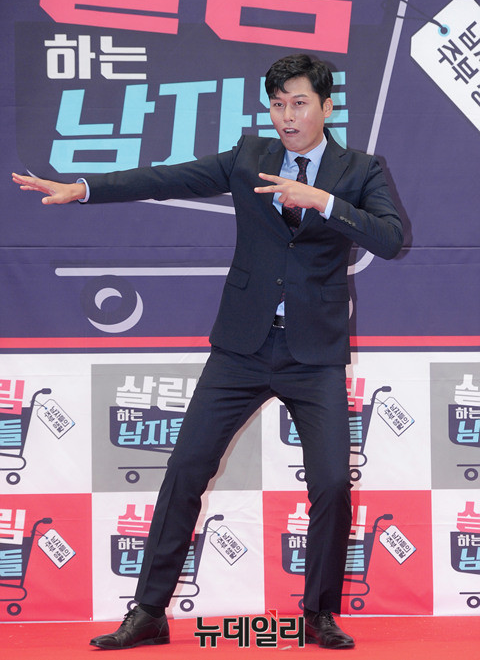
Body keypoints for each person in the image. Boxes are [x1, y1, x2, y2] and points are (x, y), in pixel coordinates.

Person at [12, 54, 403, 650]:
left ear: (327, 107)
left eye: (300, 103)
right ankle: (148, 611)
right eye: (278, 104)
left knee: (330, 484)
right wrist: (84, 189)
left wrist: (321, 200)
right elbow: (168, 179)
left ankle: (319, 612)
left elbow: (392, 238)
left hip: (313, 353)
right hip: (241, 347)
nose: (287, 117)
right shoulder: (250, 156)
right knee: (186, 470)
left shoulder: (360, 169)